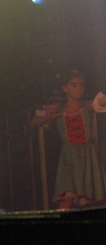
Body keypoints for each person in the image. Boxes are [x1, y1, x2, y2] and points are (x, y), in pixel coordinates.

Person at [31, 71, 106, 209]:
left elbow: (101, 101)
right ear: (65, 88)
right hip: (69, 159)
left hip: (88, 157)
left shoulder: (88, 106)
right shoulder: (58, 109)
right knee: (66, 201)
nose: (79, 89)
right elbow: (32, 124)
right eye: (74, 85)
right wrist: (48, 116)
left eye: (82, 85)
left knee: (96, 200)